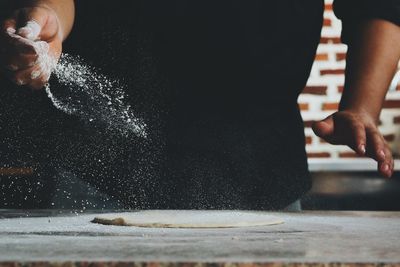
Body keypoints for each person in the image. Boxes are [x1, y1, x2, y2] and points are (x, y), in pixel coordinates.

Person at [0, 0, 399, 210]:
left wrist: (363, 105)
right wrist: (46, 17)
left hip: (258, 170)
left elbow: (377, 4)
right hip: (95, 167)